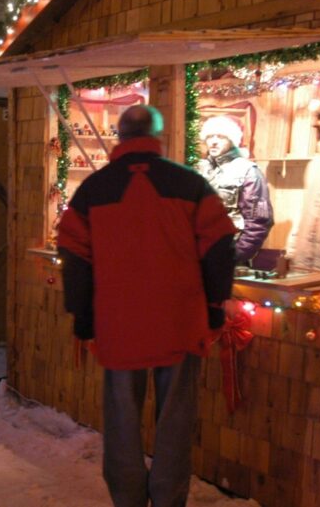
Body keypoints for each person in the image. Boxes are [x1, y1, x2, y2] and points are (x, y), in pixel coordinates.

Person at [57, 105, 238, 507]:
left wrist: (82, 315)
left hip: (119, 325)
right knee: (175, 421)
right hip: (180, 321)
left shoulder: (94, 189)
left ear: (120, 136)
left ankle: (128, 499)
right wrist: (213, 304)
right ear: (159, 135)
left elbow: (73, 253)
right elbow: (221, 244)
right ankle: (169, 499)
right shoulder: (190, 184)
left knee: (122, 420)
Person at [196, 115, 273, 266]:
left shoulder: (248, 171)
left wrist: (236, 256)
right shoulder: (198, 168)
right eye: (210, 136)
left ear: (232, 140)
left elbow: (259, 221)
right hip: (197, 253)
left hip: (229, 251)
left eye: (221, 136)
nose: (214, 141)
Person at [285, 89, 320, 273]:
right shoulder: (317, 164)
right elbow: (303, 211)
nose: (315, 124)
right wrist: (291, 251)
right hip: (303, 262)